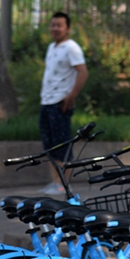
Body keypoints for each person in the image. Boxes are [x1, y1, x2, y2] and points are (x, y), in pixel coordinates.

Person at [39, 11, 87, 195]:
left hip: (60, 102)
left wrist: (71, 96)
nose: (55, 28)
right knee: (49, 144)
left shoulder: (72, 48)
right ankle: (55, 182)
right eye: (53, 25)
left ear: (68, 28)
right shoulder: (52, 47)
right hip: (47, 101)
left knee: (62, 143)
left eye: (59, 25)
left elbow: (83, 72)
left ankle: (64, 184)